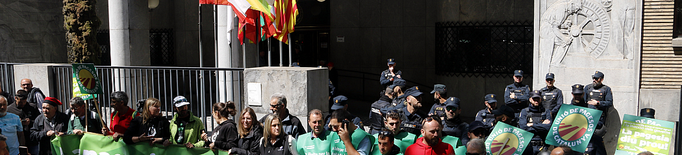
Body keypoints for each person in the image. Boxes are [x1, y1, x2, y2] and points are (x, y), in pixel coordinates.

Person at [560, 84, 606, 155]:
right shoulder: (566, 110)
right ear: (572, 94)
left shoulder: (590, 108)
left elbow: (600, 124)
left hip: (587, 141)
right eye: (576, 94)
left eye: (579, 94)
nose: (577, 96)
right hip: (570, 142)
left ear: (583, 94)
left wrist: (587, 123)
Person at [518, 90, 552, 155]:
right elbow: (523, 128)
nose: (536, 101)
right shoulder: (524, 111)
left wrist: (532, 124)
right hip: (528, 145)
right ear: (530, 99)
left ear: (541, 99)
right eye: (534, 99)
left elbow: (548, 128)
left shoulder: (546, 111)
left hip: (542, 145)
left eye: (538, 99)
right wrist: (541, 126)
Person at [7, 90, 39, 155]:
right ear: (16, 98)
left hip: (31, 139)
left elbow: (38, 121)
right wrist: (17, 123)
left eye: (24, 102)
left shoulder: (32, 107)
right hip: (17, 140)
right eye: (20, 102)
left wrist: (30, 122)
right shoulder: (10, 109)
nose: (22, 104)